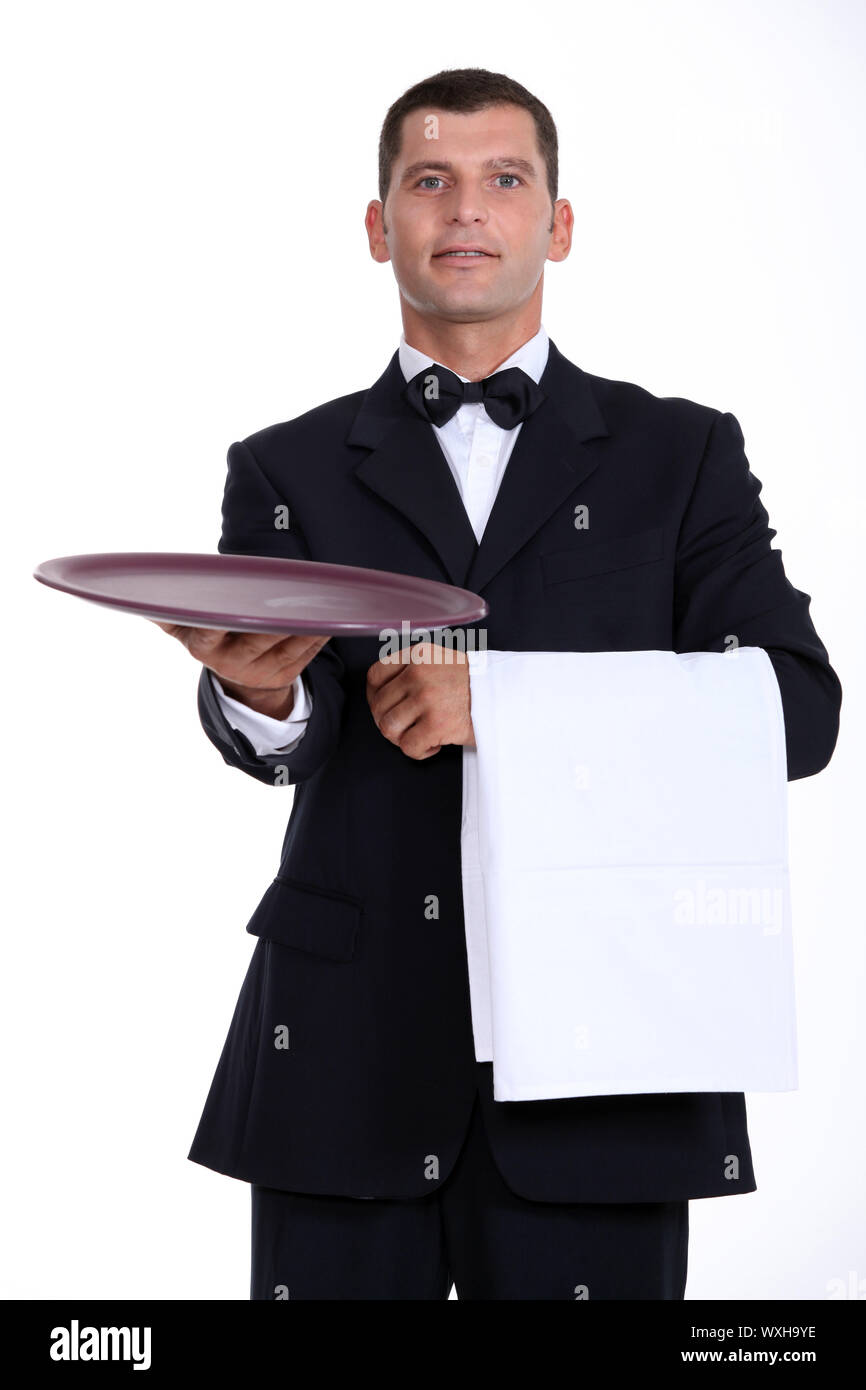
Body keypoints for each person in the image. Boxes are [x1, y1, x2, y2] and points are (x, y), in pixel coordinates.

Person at [154, 67, 841, 1300]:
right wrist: (260, 698)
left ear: (556, 224)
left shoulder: (681, 454)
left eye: (502, 180)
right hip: (344, 1048)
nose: (464, 210)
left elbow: (795, 710)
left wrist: (505, 710)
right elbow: (282, 734)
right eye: (428, 181)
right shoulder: (283, 464)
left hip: (607, 1047)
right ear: (378, 226)